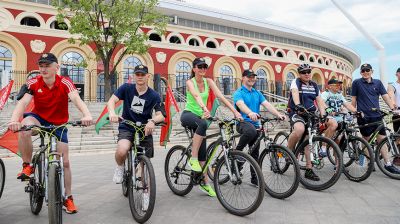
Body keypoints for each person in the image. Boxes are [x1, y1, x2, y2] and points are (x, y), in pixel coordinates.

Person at [8, 53, 93, 214]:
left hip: (59, 123)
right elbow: (23, 102)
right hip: (38, 118)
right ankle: (28, 166)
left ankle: (68, 198)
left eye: (47, 65)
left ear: (56, 67)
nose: (44, 68)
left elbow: (76, 99)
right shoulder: (33, 82)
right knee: (25, 128)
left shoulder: (65, 82)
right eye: (41, 65)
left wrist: (86, 115)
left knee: (65, 162)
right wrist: (14, 120)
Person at [180, 57, 242, 197]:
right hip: (189, 114)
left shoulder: (209, 82)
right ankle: (192, 158)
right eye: (199, 67)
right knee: (202, 124)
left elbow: (221, 97)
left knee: (204, 156)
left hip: (202, 117)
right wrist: (204, 108)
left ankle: (205, 183)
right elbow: (196, 95)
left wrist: (235, 111)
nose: (202, 69)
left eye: (204, 67)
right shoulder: (190, 82)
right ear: (194, 68)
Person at [108, 65, 165, 209]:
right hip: (127, 125)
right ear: (134, 76)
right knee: (122, 150)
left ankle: (146, 194)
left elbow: (161, 115)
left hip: (144, 128)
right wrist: (112, 113)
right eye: (137, 74)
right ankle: (120, 167)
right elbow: (111, 101)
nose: (140, 76)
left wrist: (152, 121)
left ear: (147, 77)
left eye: (142, 74)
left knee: (144, 165)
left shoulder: (154, 95)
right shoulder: (126, 88)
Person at [233, 69, 285, 185]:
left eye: (253, 77)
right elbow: (240, 105)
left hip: (255, 124)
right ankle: (237, 154)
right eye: (249, 76)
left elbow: (267, 105)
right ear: (243, 78)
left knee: (255, 152)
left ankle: (255, 178)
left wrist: (278, 114)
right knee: (251, 131)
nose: (252, 78)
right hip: (242, 122)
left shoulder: (257, 93)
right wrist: (250, 113)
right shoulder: (239, 92)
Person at [351, 63, 400, 174]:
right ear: (360, 73)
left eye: (367, 70)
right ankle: (369, 162)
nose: (365, 72)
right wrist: (353, 112)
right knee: (366, 139)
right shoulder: (357, 83)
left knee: (382, 139)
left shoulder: (377, 82)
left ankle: (387, 164)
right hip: (364, 116)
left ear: (372, 71)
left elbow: (385, 96)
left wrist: (392, 107)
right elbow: (353, 99)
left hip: (377, 116)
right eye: (363, 71)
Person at [286, 63, 328, 181]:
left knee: (308, 141)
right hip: (297, 112)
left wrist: (323, 114)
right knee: (299, 130)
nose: (307, 74)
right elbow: (294, 93)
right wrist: (298, 105)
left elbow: (319, 101)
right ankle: (289, 151)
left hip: (310, 114)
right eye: (304, 72)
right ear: (299, 74)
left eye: (309, 72)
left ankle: (309, 169)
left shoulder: (314, 85)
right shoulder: (296, 82)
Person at [320, 78, 358, 155]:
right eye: (336, 85)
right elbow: (321, 103)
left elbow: (347, 104)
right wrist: (328, 109)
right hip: (328, 116)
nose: (339, 86)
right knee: (334, 125)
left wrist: (356, 111)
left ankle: (338, 165)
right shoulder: (325, 93)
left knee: (338, 140)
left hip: (338, 117)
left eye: (339, 85)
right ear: (330, 86)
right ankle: (323, 147)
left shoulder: (340, 95)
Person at [387, 67, 400, 166]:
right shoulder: (392, 85)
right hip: (397, 112)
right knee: (398, 136)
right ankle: (397, 157)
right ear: (397, 74)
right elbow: (391, 96)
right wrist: (393, 105)